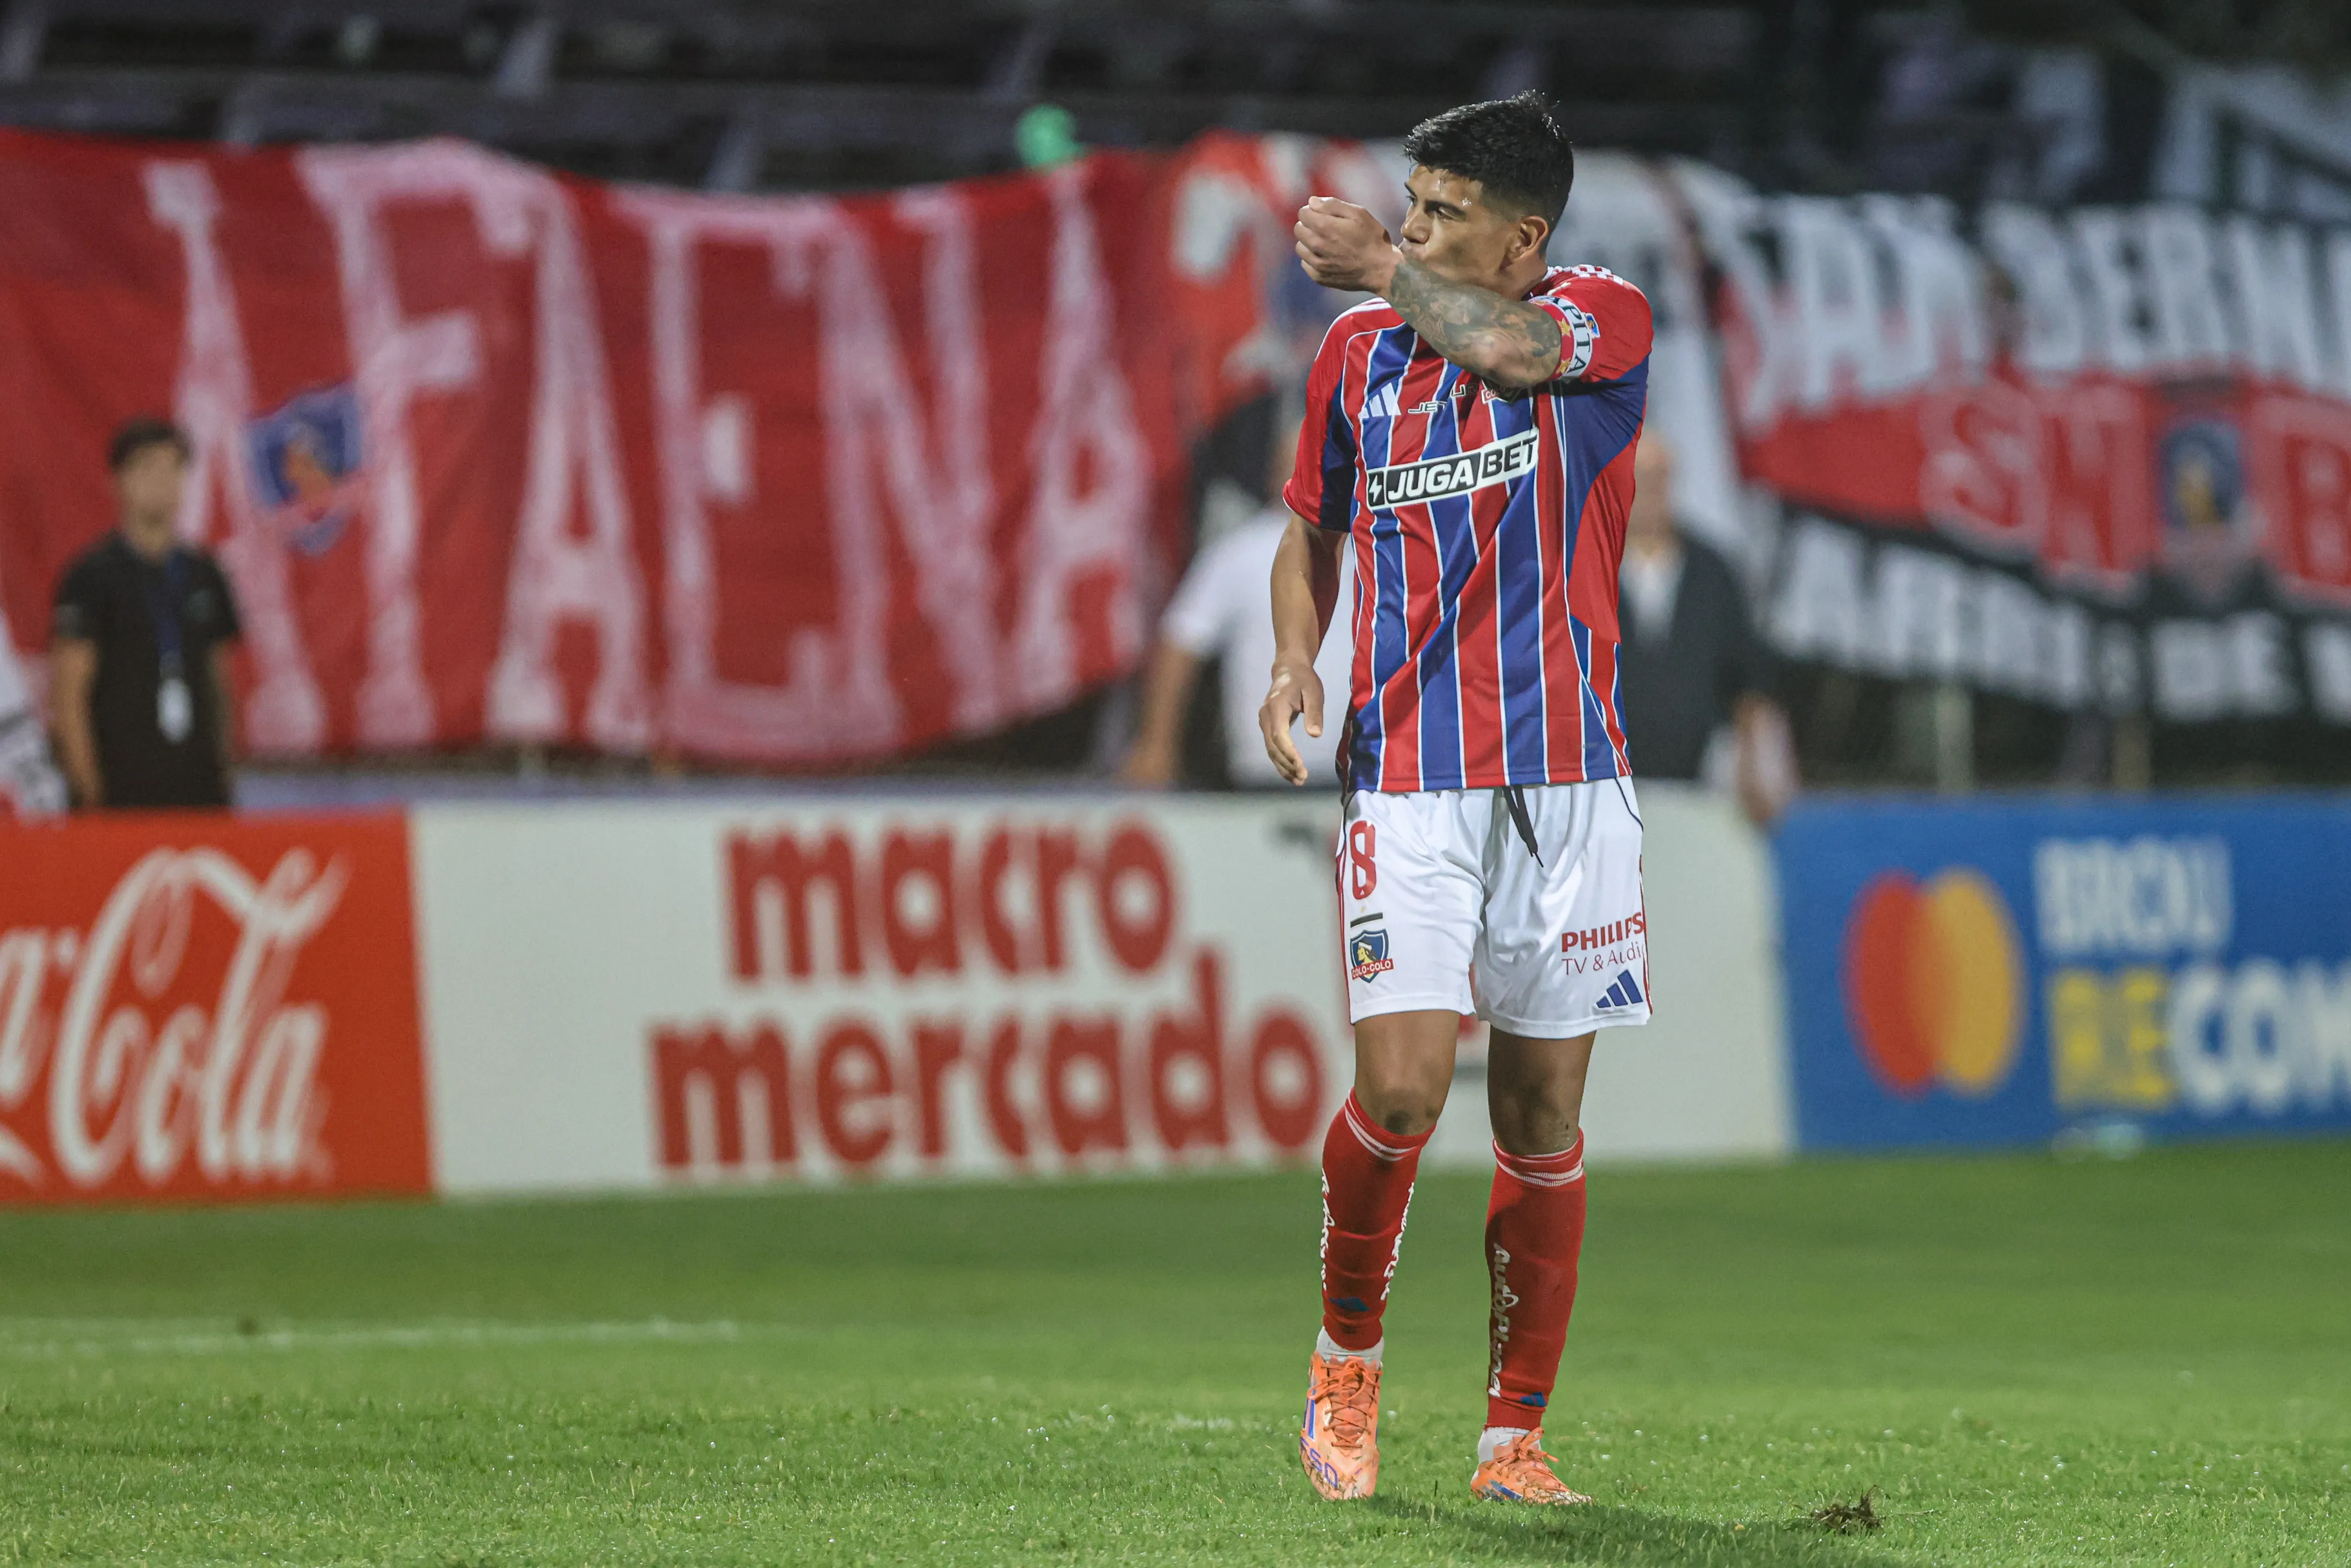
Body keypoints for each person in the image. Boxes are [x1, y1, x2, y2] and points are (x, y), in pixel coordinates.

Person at [1266, 91, 1648, 1507]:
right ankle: (1344, 1365)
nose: (1414, 226)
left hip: (1573, 783)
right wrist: (1295, 659)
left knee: (1541, 1117)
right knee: (1405, 1084)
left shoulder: (1600, 317)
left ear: (1521, 236)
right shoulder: (1357, 355)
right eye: (1408, 207)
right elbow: (1308, 527)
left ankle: (1512, 1442)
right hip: (1409, 777)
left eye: (1442, 213)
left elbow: (1513, 349)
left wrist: (1378, 260)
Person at [1122, 422, 1357, 790]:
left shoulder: (1373, 551)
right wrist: (1157, 744)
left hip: (1365, 780)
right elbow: (1180, 643)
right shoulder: (1239, 553)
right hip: (1264, 782)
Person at [49, 418, 243, 810]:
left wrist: (225, 771)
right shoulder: (90, 577)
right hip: (123, 785)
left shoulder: (204, 572)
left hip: (197, 785)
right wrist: (89, 790)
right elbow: (69, 694)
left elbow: (218, 679)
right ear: (117, 481)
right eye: (148, 468)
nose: (164, 481)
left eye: (175, 468)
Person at [1616, 433, 1796, 825]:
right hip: (1602, 794)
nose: (1648, 488)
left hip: (1698, 796)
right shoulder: (1578, 570)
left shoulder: (1712, 571)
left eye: (1658, 475)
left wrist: (1758, 767)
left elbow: (1750, 679)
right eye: (1637, 475)